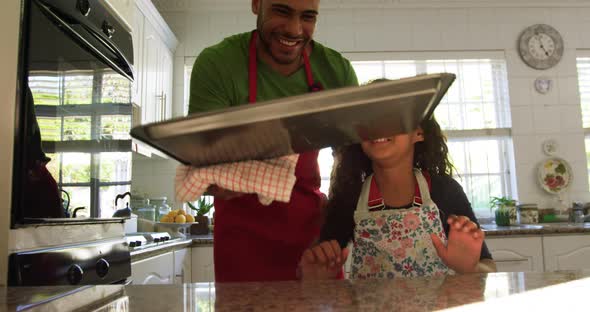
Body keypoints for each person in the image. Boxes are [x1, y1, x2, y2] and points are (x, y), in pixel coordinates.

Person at [188, 0, 358, 282]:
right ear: (257, 4)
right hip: (241, 242)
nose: (294, 29)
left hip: (313, 238)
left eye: (308, 17)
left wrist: (333, 229)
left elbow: (352, 163)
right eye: (282, 11)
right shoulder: (219, 64)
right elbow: (203, 171)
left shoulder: (335, 71)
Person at [299, 97, 496, 279]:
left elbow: (489, 267)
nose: (377, 127)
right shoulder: (350, 198)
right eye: (369, 121)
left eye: (391, 118)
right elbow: (317, 268)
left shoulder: (445, 190)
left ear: (418, 132)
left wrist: (469, 268)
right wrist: (314, 276)